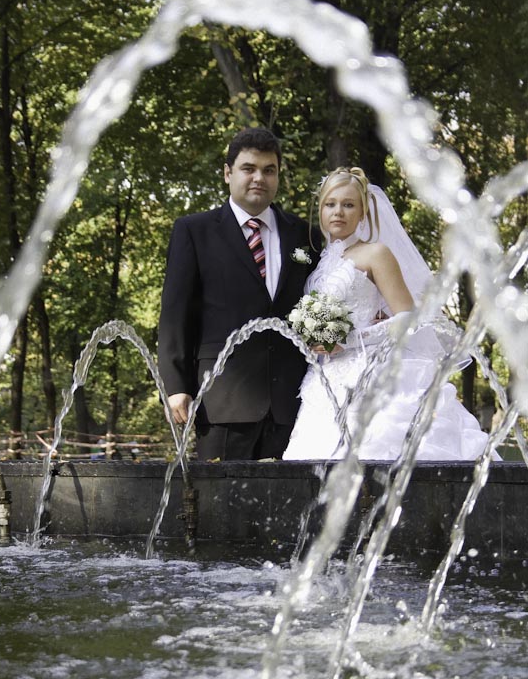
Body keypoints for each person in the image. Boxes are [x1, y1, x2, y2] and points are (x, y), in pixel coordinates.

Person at [283, 166, 495, 461]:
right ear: (321, 210)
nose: (338, 212)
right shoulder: (322, 261)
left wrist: (351, 339)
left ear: (362, 212)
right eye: (330, 204)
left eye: (348, 205)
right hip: (325, 379)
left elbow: (408, 318)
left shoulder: (376, 253)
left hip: (370, 375)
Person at [158, 127, 320, 460]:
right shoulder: (194, 231)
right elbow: (175, 314)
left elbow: (323, 299)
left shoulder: (305, 235)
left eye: (269, 170)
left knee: (292, 494)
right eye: (249, 168)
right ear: (228, 173)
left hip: (292, 402)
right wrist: (175, 386)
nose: (259, 177)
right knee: (220, 493)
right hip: (222, 401)